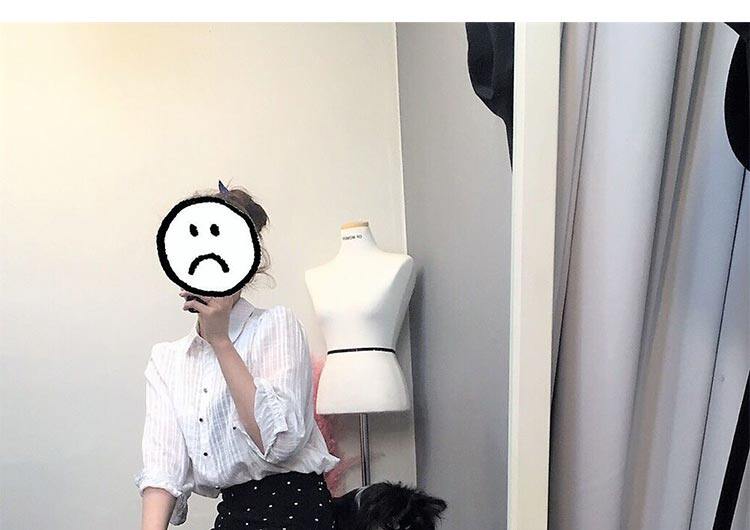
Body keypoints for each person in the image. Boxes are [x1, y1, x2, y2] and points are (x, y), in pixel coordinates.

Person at [135, 186, 341, 530]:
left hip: (298, 510)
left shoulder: (277, 325)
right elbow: (162, 469)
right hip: (234, 514)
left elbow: (279, 444)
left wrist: (220, 340)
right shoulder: (167, 360)